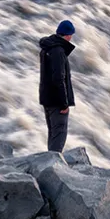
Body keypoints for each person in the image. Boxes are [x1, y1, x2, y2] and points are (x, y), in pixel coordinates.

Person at [38, 20, 78, 152]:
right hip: (56, 101)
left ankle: (48, 164)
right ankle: (53, 167)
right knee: (59, 135)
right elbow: (58, 78)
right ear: (68, 35)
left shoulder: (46, 49)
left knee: (53, 134)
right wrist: (64, 103)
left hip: (47, 98)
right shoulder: (58, 51)